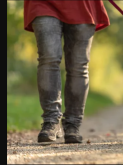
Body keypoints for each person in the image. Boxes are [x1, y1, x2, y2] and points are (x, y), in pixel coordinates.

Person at [24, 0, 110, 143]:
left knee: (78, 65)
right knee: (48, 59)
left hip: (83, 5)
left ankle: (72, 125)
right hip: (43, 4)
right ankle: (51, 121)